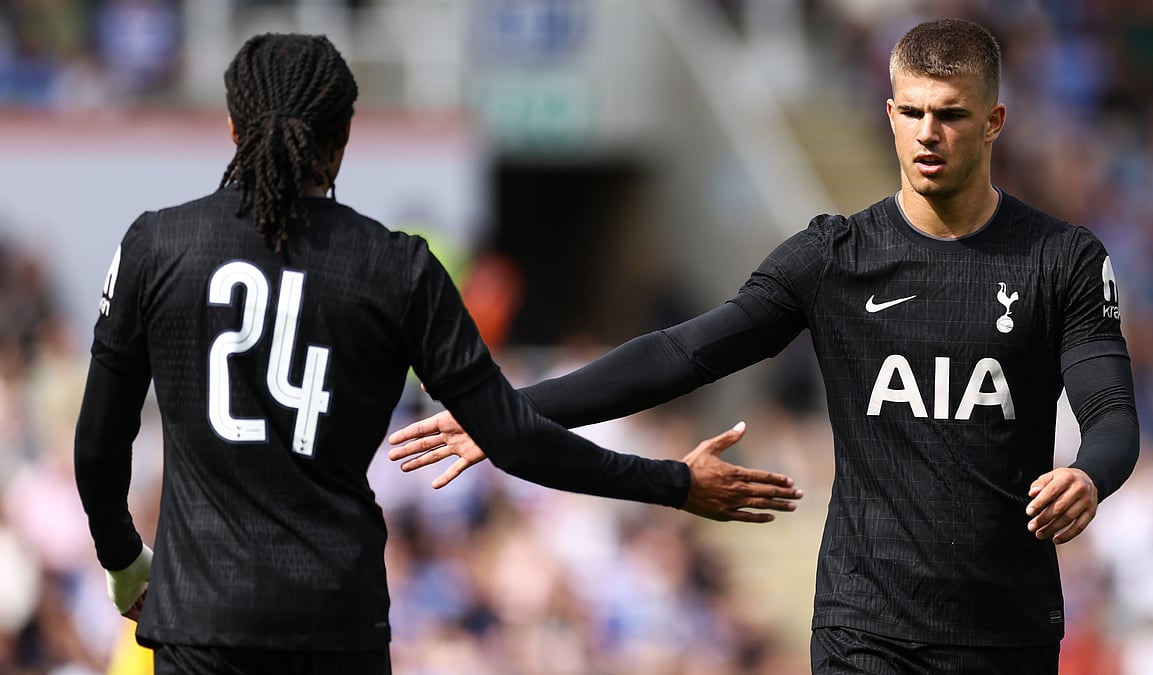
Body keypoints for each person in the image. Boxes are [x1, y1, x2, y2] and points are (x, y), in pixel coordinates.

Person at [388, 18, 1140, 674]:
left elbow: (1110, 410)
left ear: (995, 120)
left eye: (949, 114)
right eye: (910, 112)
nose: (926, 134)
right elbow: (683, 354)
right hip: (866, 625)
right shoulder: (836, 255)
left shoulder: (1060, 259)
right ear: (887, 112)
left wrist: (1089, 475)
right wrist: (508, 409)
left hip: (1007, 625)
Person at [72, 33, 802, 675]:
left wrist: (122, 561)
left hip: (200, 621)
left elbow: (101, 447)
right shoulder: (398, 267)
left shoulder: (154, 245)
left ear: (231, 127)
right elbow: (513, 438)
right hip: (337, 619)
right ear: (344, 137)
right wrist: (674, 482)